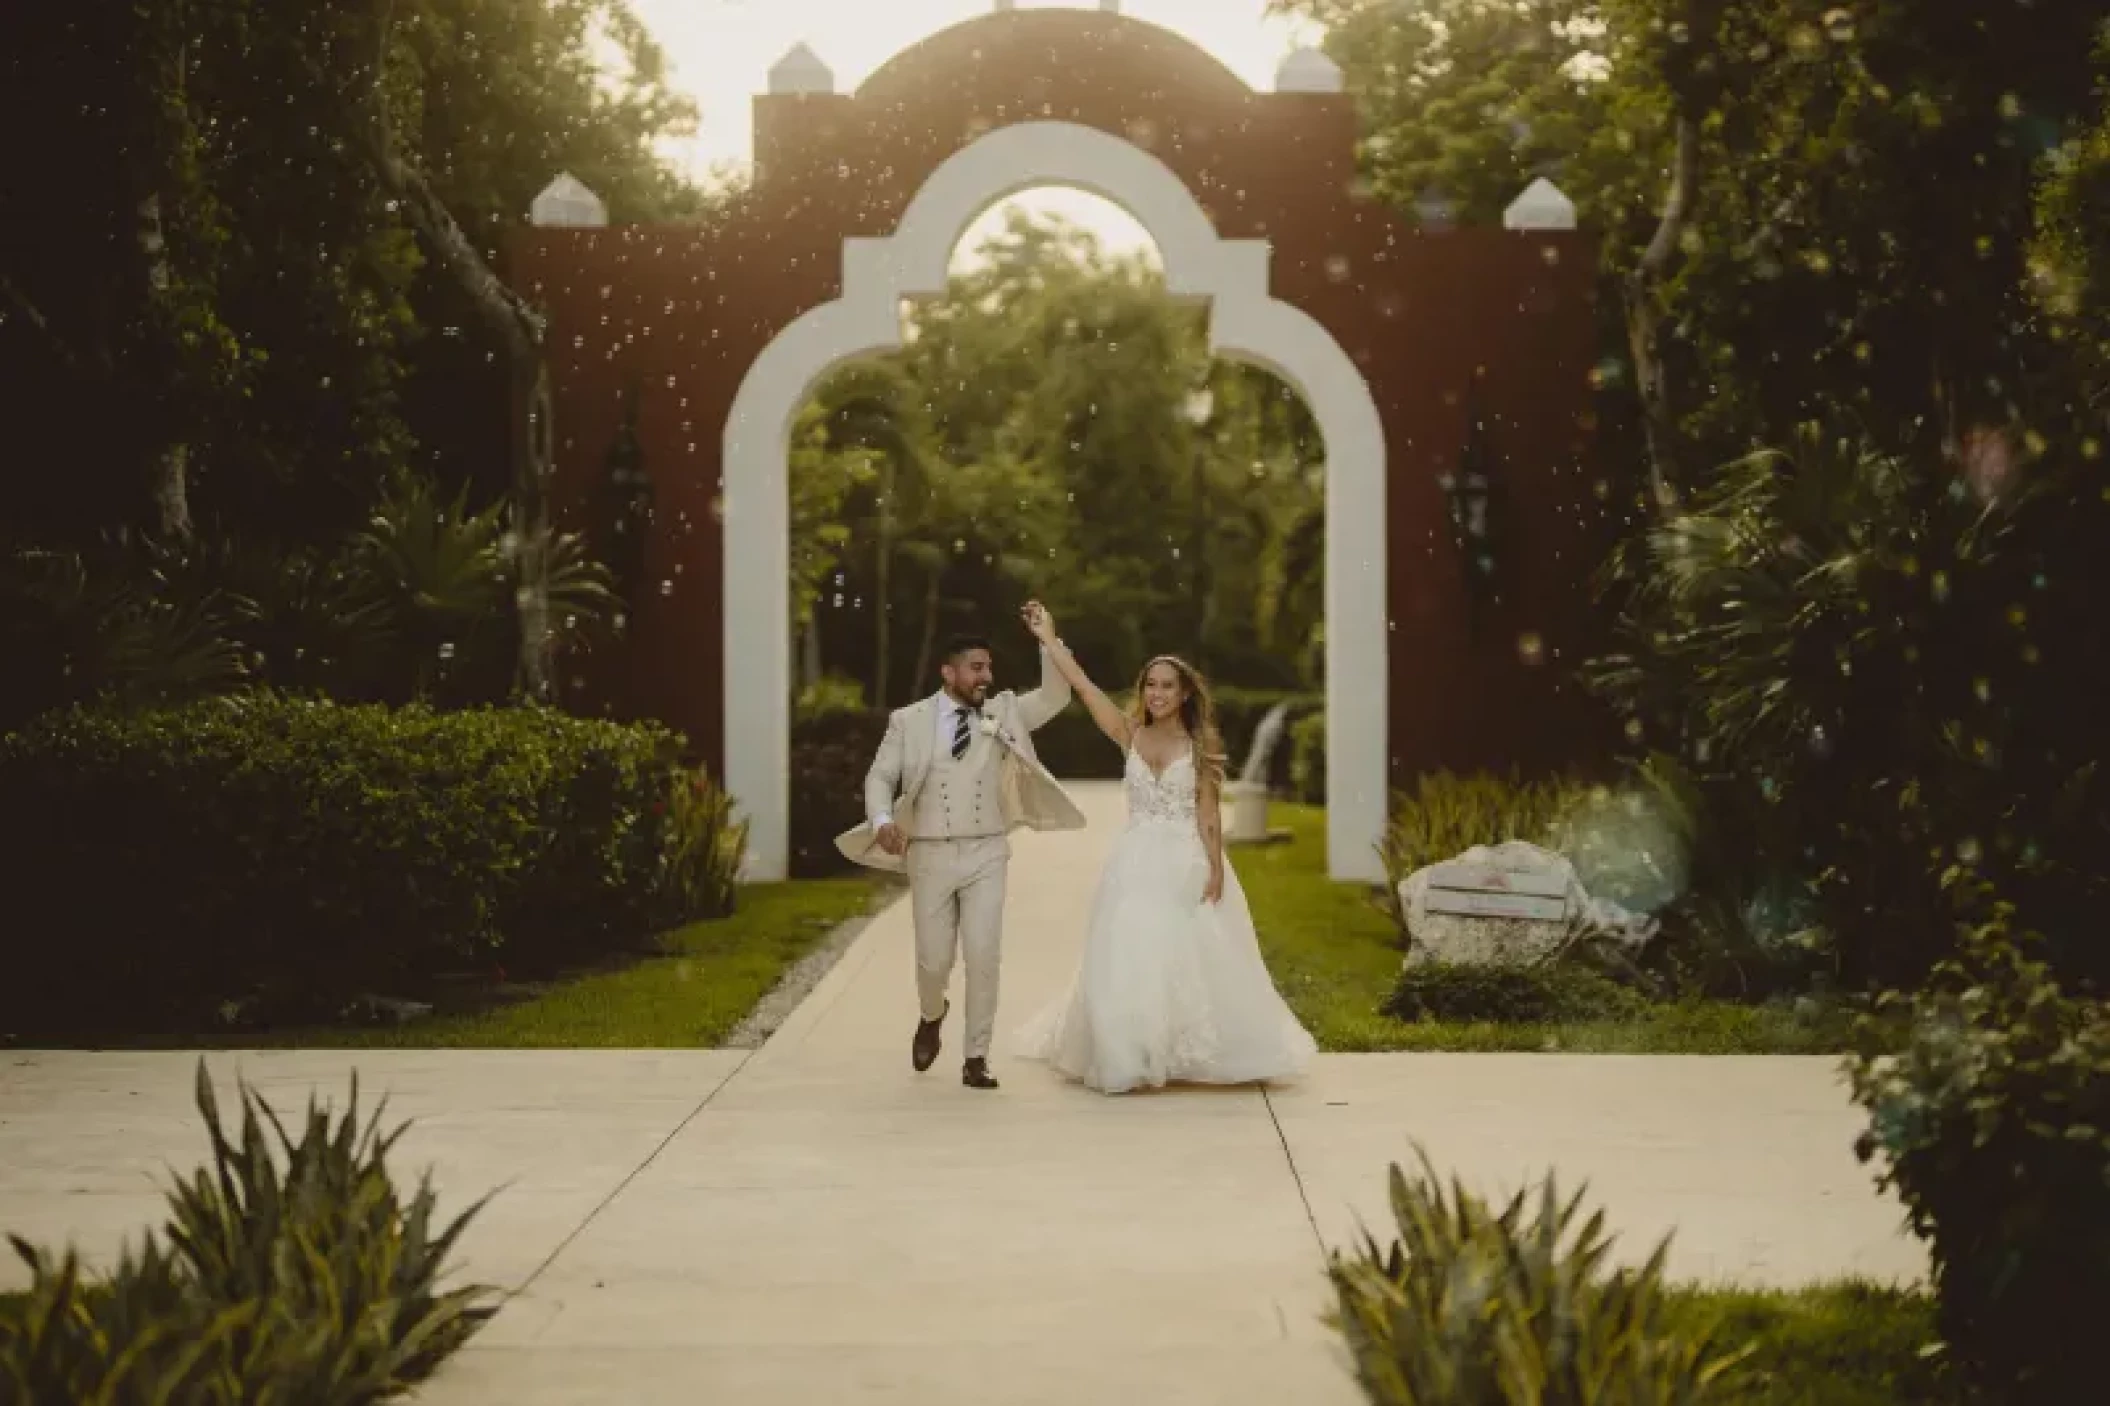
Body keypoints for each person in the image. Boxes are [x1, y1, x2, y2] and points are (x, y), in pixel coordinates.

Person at [1013, 602, 1317, 1094]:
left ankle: (1180, 1047)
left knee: (1185, 956)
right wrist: (1049, 638)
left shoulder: (1199, 745)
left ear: (1184, 694)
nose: (1157, 694)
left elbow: (1209, 813)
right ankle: (1128, 1050)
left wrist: (1215, 867)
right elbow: (1085, 687)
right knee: (1129, 954)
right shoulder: (1128, 733)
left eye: (1167, 686)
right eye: (1150, 685)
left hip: (1184, 859)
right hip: (1133, 861)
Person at [836, 620, 1084, 1090]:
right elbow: (879, 777)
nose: (985, 676)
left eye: (988, 667)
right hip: (928, 853)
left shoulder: (1006, 711)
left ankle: (976, 1056)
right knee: (932, 961)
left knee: (984, 954)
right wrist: (883, 820)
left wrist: (1048, 641)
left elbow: (1055, 697)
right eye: (976, 668)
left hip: (987, 850)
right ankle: (933, 1015)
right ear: (948, 673)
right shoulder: (908, 721)